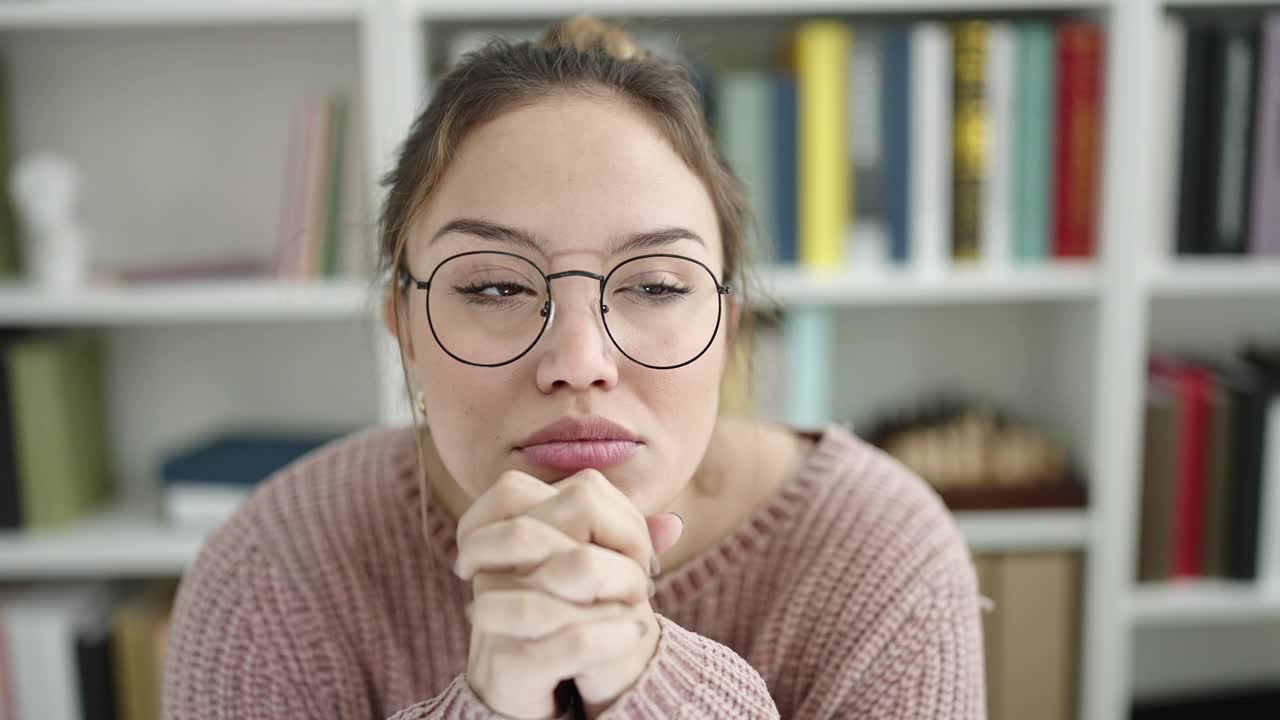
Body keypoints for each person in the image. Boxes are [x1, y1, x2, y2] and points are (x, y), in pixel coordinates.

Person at [162, 15, 984, 720]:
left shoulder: (880, 554)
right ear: (404, 330)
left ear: (728, 330)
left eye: (657, 284)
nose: (580, 363)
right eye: (492, 285)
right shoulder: (273, 576)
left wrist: (650, 680)